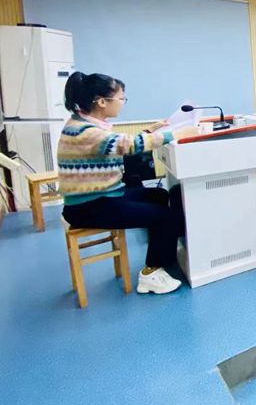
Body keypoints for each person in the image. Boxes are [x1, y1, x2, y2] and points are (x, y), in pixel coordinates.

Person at [57, 72, 194, 295]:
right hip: (90, 206)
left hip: (103, 196)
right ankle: (151, 273)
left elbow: (116, 144)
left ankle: (162, 251)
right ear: (102, 102)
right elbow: (127, 145)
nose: (122, 103)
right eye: (121, 98)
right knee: (166, 217)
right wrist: (176, 133)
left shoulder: (83, 123)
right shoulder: (87, 132)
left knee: (159, 195)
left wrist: (150, 130)